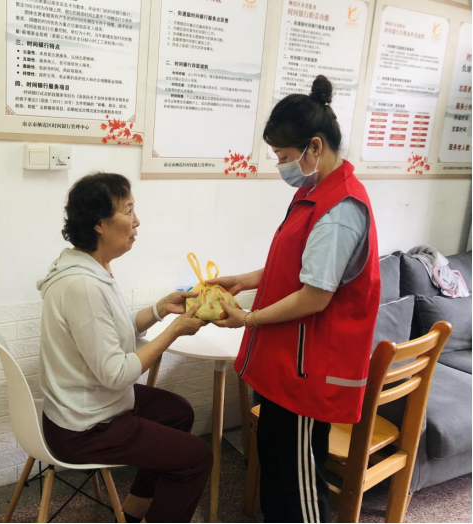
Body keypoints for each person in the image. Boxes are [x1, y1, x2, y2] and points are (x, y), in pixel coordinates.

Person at [207, 75, 381, 523]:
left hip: (308, 369)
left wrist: (248, 318)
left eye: (284, 156)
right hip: (287, 360)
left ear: (314, 147)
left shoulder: (341, 209)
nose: (281, 166)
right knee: (277, 466)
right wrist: (245, 280)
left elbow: (315, 296)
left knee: (299, 483)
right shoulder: (312, 192)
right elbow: (298, 266)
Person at [37, 172, 213, 523]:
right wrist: (174, 330)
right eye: (129, 210)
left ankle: (136, 506)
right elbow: (116, 374)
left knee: (178, 412)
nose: (137, 221)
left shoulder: (91, 268)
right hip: (85, 428)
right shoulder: (83, 286)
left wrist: (160, 309)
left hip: (90, 404)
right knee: (197, 458)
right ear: (100, 223)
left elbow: (112, 333)